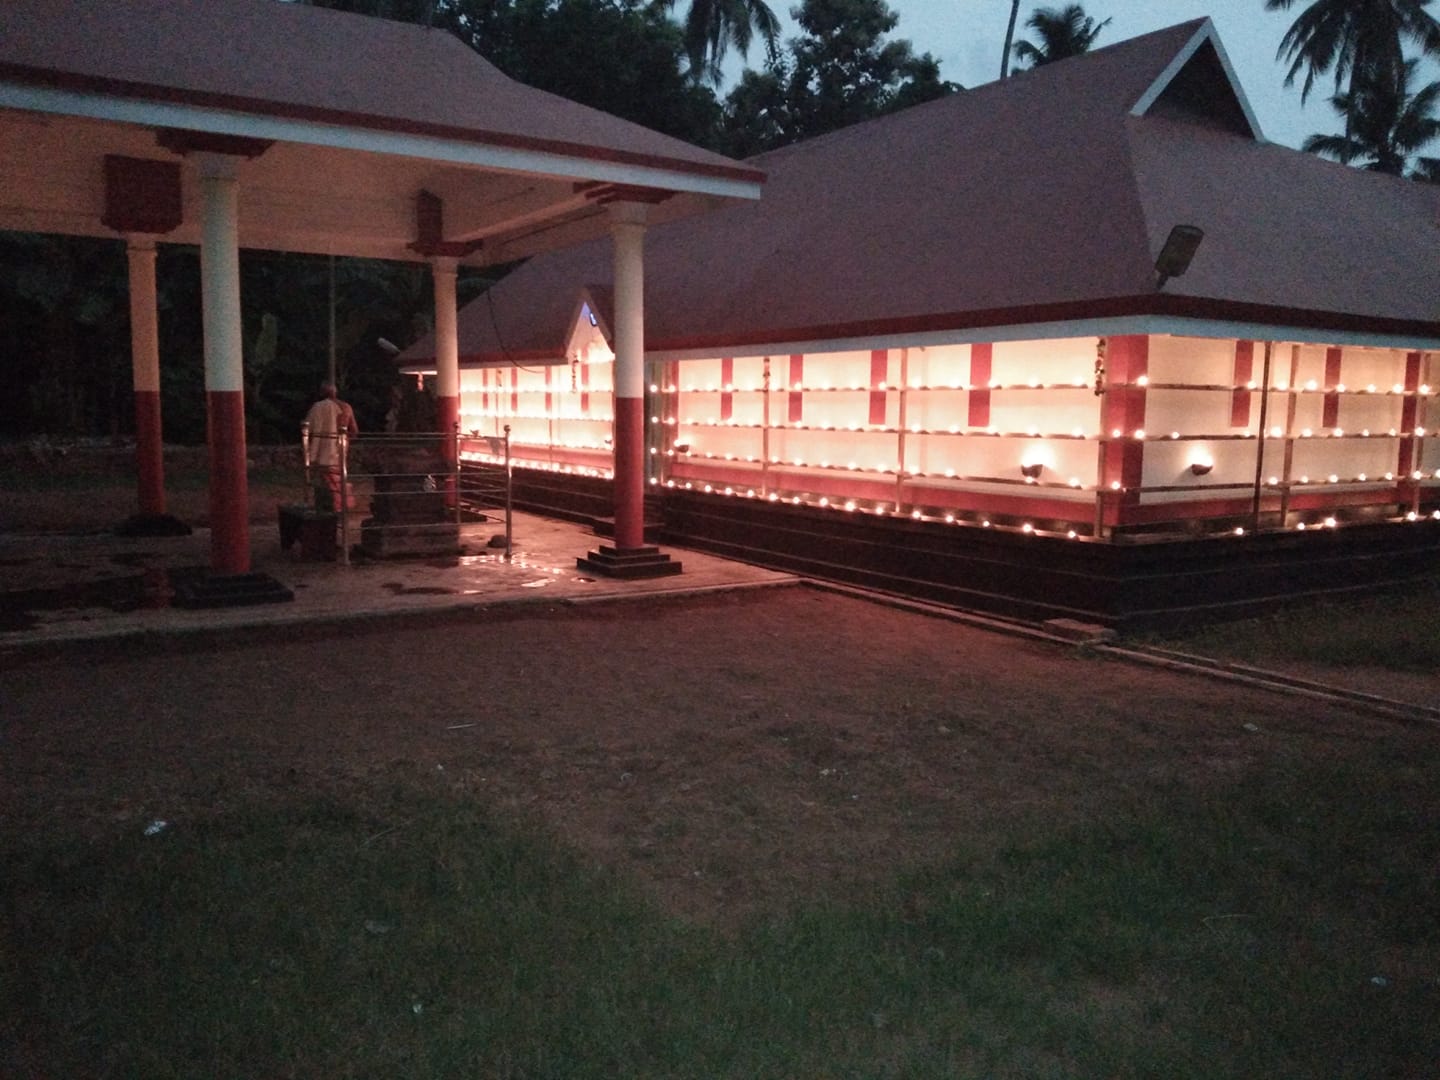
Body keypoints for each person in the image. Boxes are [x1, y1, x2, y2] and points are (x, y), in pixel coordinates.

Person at [304, 381, 358, 512]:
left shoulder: (317, 407)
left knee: (328, 480)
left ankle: (335, 506)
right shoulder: (346, 407)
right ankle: (338, 506)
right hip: (340, 448)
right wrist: (344, 440)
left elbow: (308, 428)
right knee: (337, 478)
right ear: (335, 392)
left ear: (322, 393)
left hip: (322, 448)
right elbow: (354, 431)